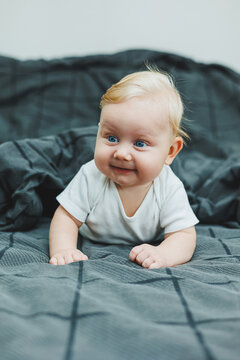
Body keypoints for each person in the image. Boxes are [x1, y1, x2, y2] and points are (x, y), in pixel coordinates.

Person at [49, 67, 198, 269]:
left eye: (140, 143)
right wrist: (64, 250)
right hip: (92, 236)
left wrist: (163, 253)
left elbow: (184, 235)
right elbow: (65, 218)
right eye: (112, 138)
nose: (121, 153)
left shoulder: (169, 186)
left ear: (171, 151)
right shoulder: (90, 174)